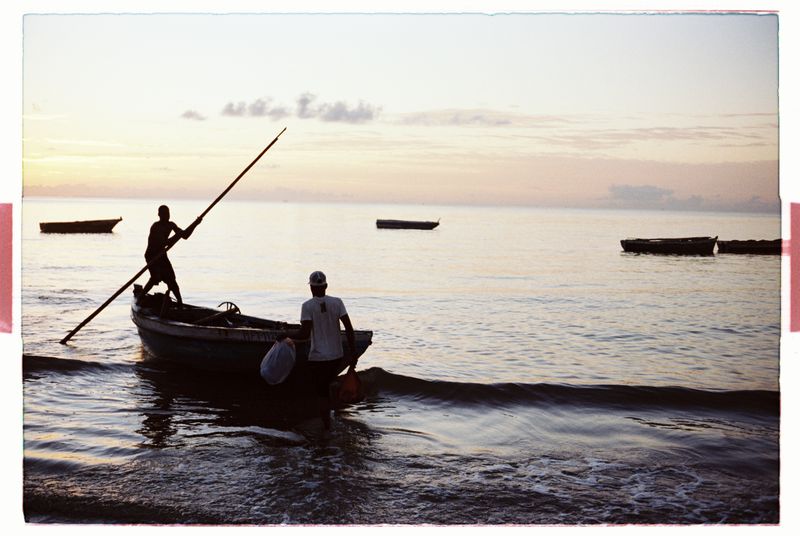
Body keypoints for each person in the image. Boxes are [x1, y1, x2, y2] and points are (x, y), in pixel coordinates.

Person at [284, 271, 356, 429]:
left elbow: (304, 334)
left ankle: (327, 427)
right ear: (326, 286)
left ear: (311, 288)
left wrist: (286, 335)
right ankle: (333, 416)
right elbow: (349, 329)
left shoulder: (307, 306)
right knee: (328, 385)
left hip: (318, 358)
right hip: (337, 355)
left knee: (321, 392)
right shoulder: (337, 302)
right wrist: (353, 353)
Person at [137, 205, 201, 307]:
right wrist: (177, 235)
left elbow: (185, 235)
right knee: (155, 278)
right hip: (151, 255)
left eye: (168, 213)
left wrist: (195, 223)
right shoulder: (156, 226)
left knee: (171, 280)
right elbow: (164, 243)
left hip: (162, 255)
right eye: (164, 214)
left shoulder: (171, 225)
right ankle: (140, 297)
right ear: (159, 215)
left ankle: (180, 303)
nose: (167, 216)